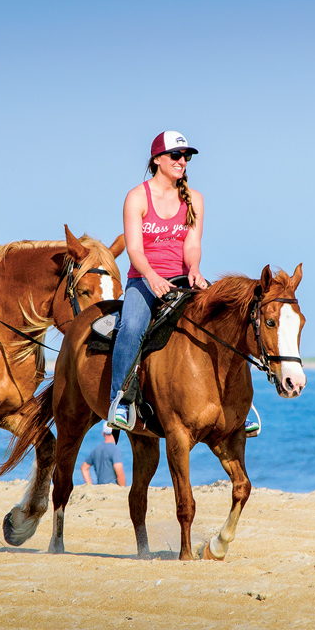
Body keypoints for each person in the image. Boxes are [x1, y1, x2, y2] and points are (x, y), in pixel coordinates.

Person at [108, 131, 206, 429]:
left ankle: (239, 404)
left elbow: (192, 244)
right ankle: (120, 400)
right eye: (176, 156)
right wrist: (151, 277)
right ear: (157, 159)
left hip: (182, 278)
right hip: (144, 279)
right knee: (133, 327)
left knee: (225, 316)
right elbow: (134, 249)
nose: (182, 161)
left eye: (185, 156)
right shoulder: (137, 197)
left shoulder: (195, 199)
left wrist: (195, 269)